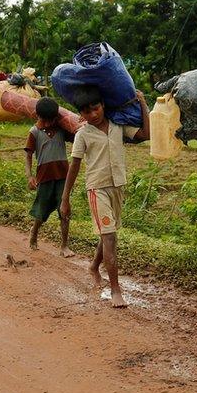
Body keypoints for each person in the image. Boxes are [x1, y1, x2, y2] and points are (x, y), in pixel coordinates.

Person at [60, 86, 150, 308]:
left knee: (107, 234)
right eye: (87, 112)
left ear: (103, 106)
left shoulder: (118, 126)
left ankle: (93, 267)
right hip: (96, 189)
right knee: (110, 237)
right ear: (81, 114)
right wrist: (65, 198)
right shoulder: (82, 134)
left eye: (96, 108)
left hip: (118, 187)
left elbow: (145, 135)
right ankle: (115, 290)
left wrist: (143, 103)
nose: (93, 114)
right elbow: (74, 166)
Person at [25, 97, 75, 257]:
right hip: (44, 176)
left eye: (50, 120)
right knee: (42, 209)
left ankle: (64, 246)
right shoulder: (34, 132)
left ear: (55, 118)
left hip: (63, 176)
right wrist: (29, 176)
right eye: (43, 120)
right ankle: (34, 233)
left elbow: (77, 133)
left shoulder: (61, 129)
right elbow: (28, 155)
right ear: (37, 116)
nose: (47, 124)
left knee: (65, 211)